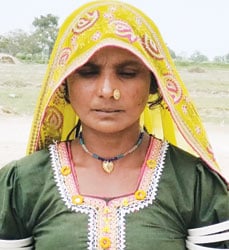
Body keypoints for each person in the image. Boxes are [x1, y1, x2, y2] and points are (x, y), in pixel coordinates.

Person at [0, 0, 228, 249]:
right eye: (88, 72)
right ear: (64, 84)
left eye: (128, 73)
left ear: (154, 84)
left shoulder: (195, 184)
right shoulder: (22, 183)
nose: (108, 91)